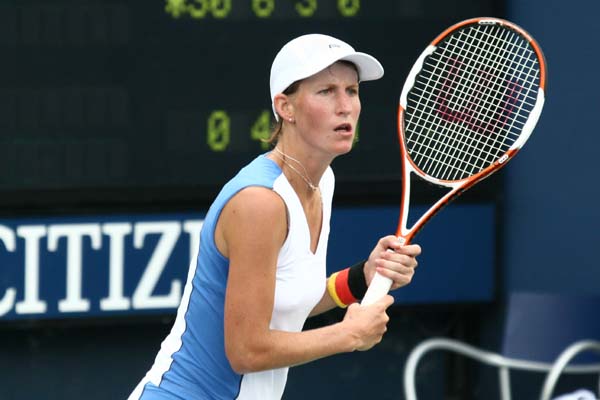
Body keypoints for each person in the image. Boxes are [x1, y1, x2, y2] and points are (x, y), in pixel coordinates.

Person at [128, 33, 421, 400]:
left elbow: (287, 304)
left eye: (352, 90)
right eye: (326, 91)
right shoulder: (260, 202)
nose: (346, 106)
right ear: (286, 107)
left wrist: (362, 277)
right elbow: (246, 350)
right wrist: (347, 335)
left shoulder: (321, 181)